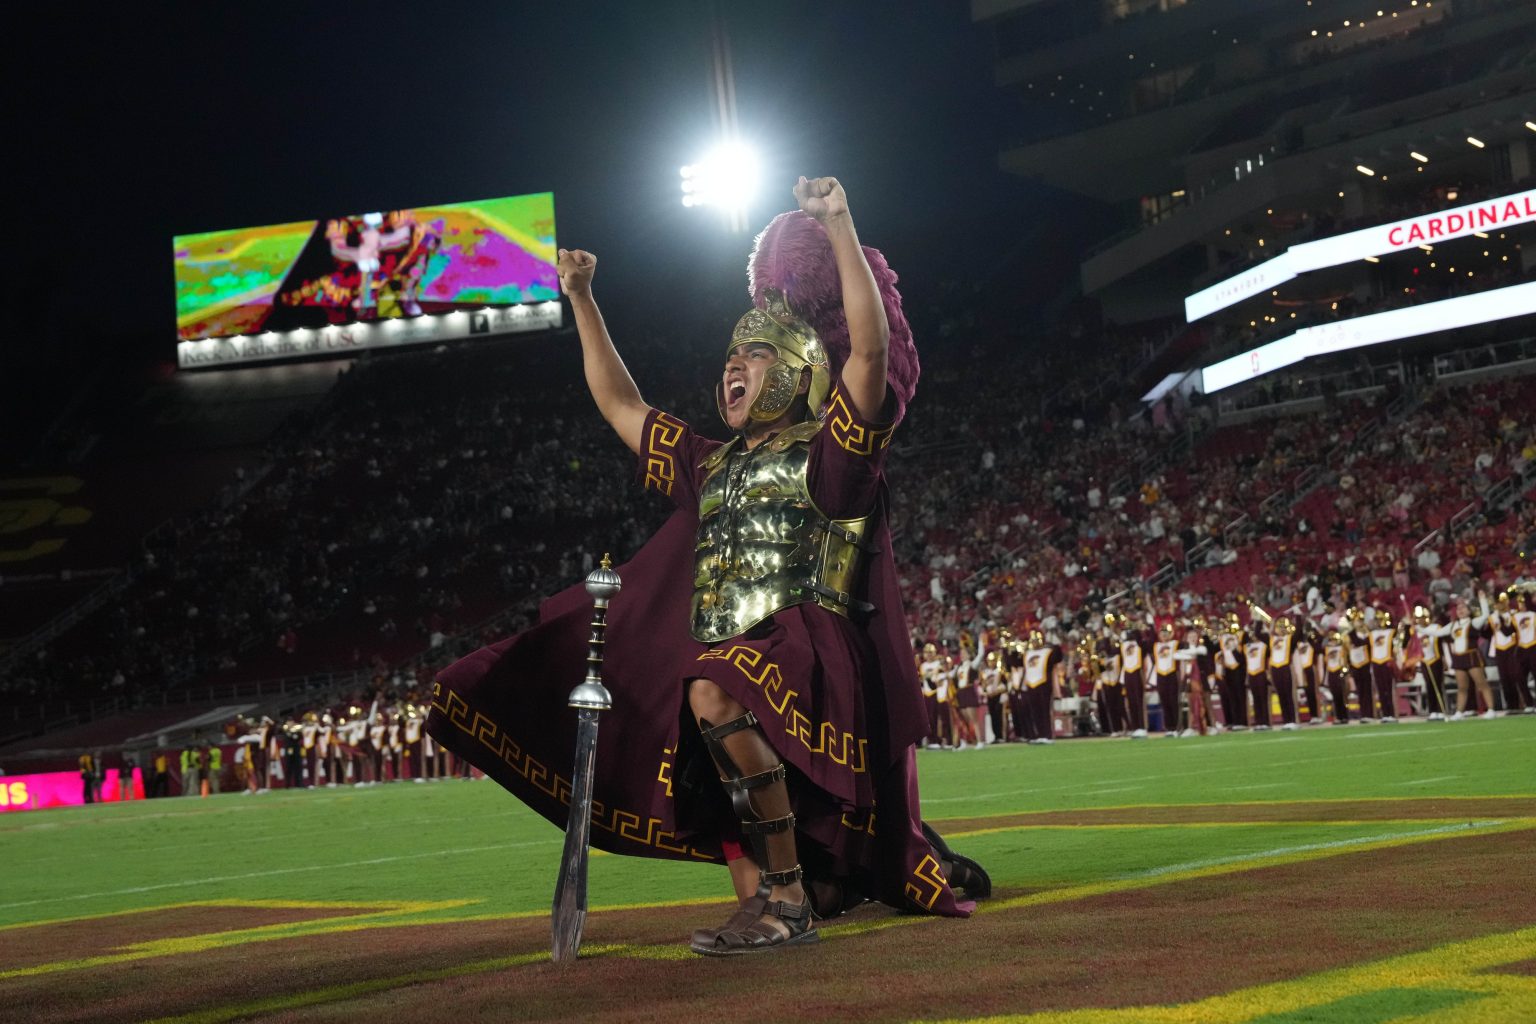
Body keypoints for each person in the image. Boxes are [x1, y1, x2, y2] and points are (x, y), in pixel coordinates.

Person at [426, 178, 984, 957]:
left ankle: (789, 901)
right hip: (734, 646)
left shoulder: (833, 455)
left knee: (713, 686)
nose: (733, 367)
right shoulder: (708, 463)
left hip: (811, 652)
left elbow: (870, 350)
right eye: (730, 356)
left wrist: (838, 222)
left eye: (755, 354)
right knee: (694, 719)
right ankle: (804, 887)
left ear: (799, 372)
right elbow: (621, 405)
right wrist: (582, 299)